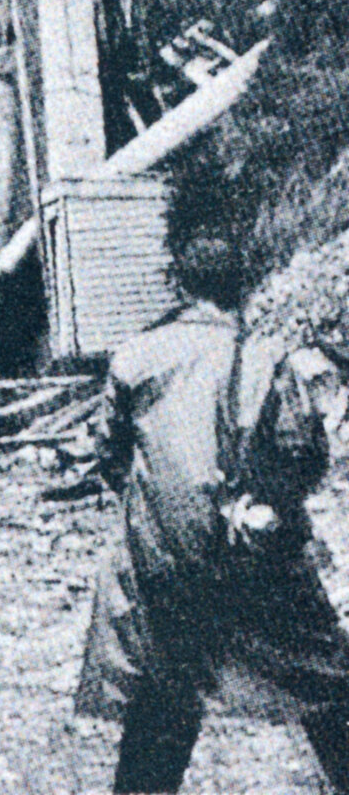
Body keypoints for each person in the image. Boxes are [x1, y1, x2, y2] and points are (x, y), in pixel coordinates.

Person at [73, 236, 349, 792]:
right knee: (327, 681)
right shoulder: (267, 356)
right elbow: (302, 454)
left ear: (180, 286)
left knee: (163, 695)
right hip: (253, 556)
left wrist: (166, 509)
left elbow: (110, 458)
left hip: (168, 559)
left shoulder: (134, 357)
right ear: (240, 289)